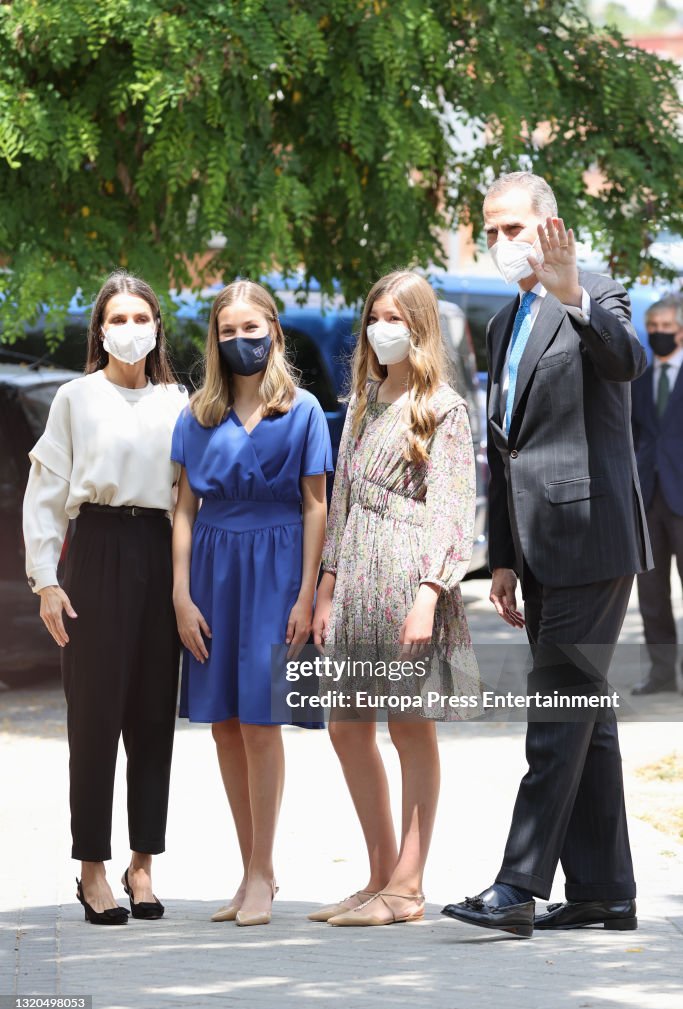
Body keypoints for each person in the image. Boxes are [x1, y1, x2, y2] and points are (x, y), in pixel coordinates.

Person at [441, 171, 651, 938]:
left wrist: (572, 297)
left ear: (550, 227)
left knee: (557, 712)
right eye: (489, 231)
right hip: (533, 548)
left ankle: (517, 886)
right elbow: (507, 446)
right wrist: (499, 556)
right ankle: (602, 890)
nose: (500, 243)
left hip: (591, 539)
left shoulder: (592, 292)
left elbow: (624, 362)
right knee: (584, 716)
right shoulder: (505, 322)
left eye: (512, 229)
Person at [309, 269, 479, 928]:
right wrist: (326, 587)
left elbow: (451, 509)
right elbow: (343, 502)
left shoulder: (443, 408)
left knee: (410, 729)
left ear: (420, 326)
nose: (383, 327)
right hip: (356, 579)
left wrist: (429, 594)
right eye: (375, 316)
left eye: (396, 317)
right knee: (346, 726)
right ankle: (379, 874)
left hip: (409, 578)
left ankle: (408, 886)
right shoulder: (363, 400)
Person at [22, 271, 189, 925]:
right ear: (100, 330)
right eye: (115, 319)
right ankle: (92, 868)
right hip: (93, 550)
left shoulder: (179, 401)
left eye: (139, 318)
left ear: (155, 328)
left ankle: (142, 864)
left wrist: (186, 584)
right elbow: (45, 493)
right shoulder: (75, 398)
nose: (128, 330)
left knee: (152, 719)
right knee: (93, 718)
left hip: (158, 546)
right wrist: (46, 579)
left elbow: (187, 498)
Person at [171, 280, 333, 927]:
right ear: (215, 339)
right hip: (212, 567)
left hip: (276, 568)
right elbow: (183, 508)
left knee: (263, 723)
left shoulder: (304, 411)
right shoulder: (197, 414)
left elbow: (317, 505)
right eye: (227, 331)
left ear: (274, 332)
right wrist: (180, 593)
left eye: (251, 328)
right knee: (223, 724)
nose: (240, 341)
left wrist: (304, 591)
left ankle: (264, 872)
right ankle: (246, 872)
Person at [631, 296, 683, 696]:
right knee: (651, 593)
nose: (659, 333)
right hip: (647, 500)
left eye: (667, 327)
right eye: (654, 327)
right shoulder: (639, 377)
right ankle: (661, 672)